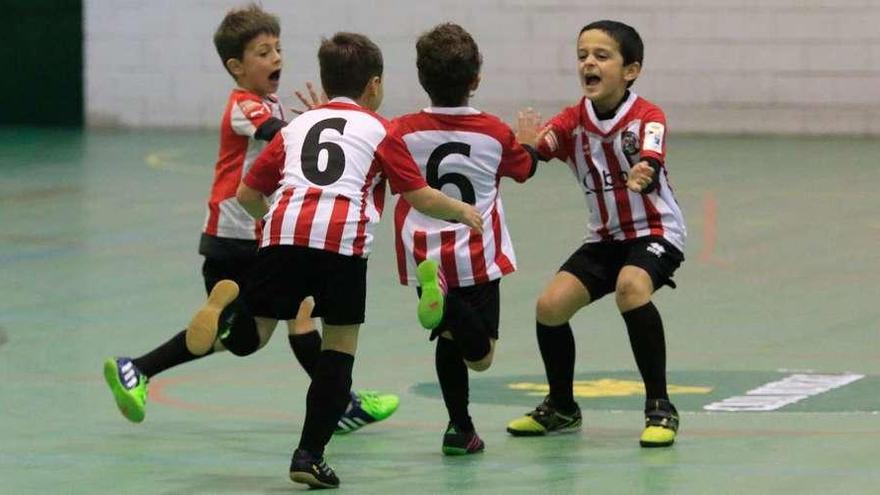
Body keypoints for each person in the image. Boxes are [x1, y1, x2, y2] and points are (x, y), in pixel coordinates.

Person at [202, 32, 482, 488]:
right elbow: (420, 195)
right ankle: (309, 454)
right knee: (338, 350)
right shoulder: (380, 130)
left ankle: (231, 315)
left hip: (284, 232)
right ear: (374, 85)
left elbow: (248, 193)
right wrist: (462, 210)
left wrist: (273, 222)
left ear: (325, 82)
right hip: (341, 242)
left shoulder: (297, 126)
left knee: (260, 329)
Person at [102, 4, 398, 434]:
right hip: (238, 232)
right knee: (256, 335)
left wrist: (322, 120)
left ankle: (338, 402)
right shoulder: (244, 105)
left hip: (258, 231)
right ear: (236, 67)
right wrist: (334, 120)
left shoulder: (267, 100)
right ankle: (144, 365)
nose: (275, 58)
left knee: (287, 318)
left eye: (277, 49)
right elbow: (279, 135)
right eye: (263, 52)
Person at [505, 20, 687, 448]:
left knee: (631, 287)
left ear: (631, 71)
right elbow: (528, 164)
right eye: (583, 55)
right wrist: (523, 146)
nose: (589, 62)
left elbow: (652, 154)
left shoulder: (647, 115)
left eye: (602, 56)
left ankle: (660, 407)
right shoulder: (571, 122)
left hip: (656, 230)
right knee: (549, 306)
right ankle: (563, 407)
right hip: (605, 237)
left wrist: (646, 169)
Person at [390, 23, 542, 456]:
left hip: (424, 253)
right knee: (481, 356)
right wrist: (528, 144)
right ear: (476, 79)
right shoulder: (494, 132)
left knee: (450, 338)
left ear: (422, 78)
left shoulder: (400, 131)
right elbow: (525, 170)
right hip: (476, 254)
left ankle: (460, 427)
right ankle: (451, 305)